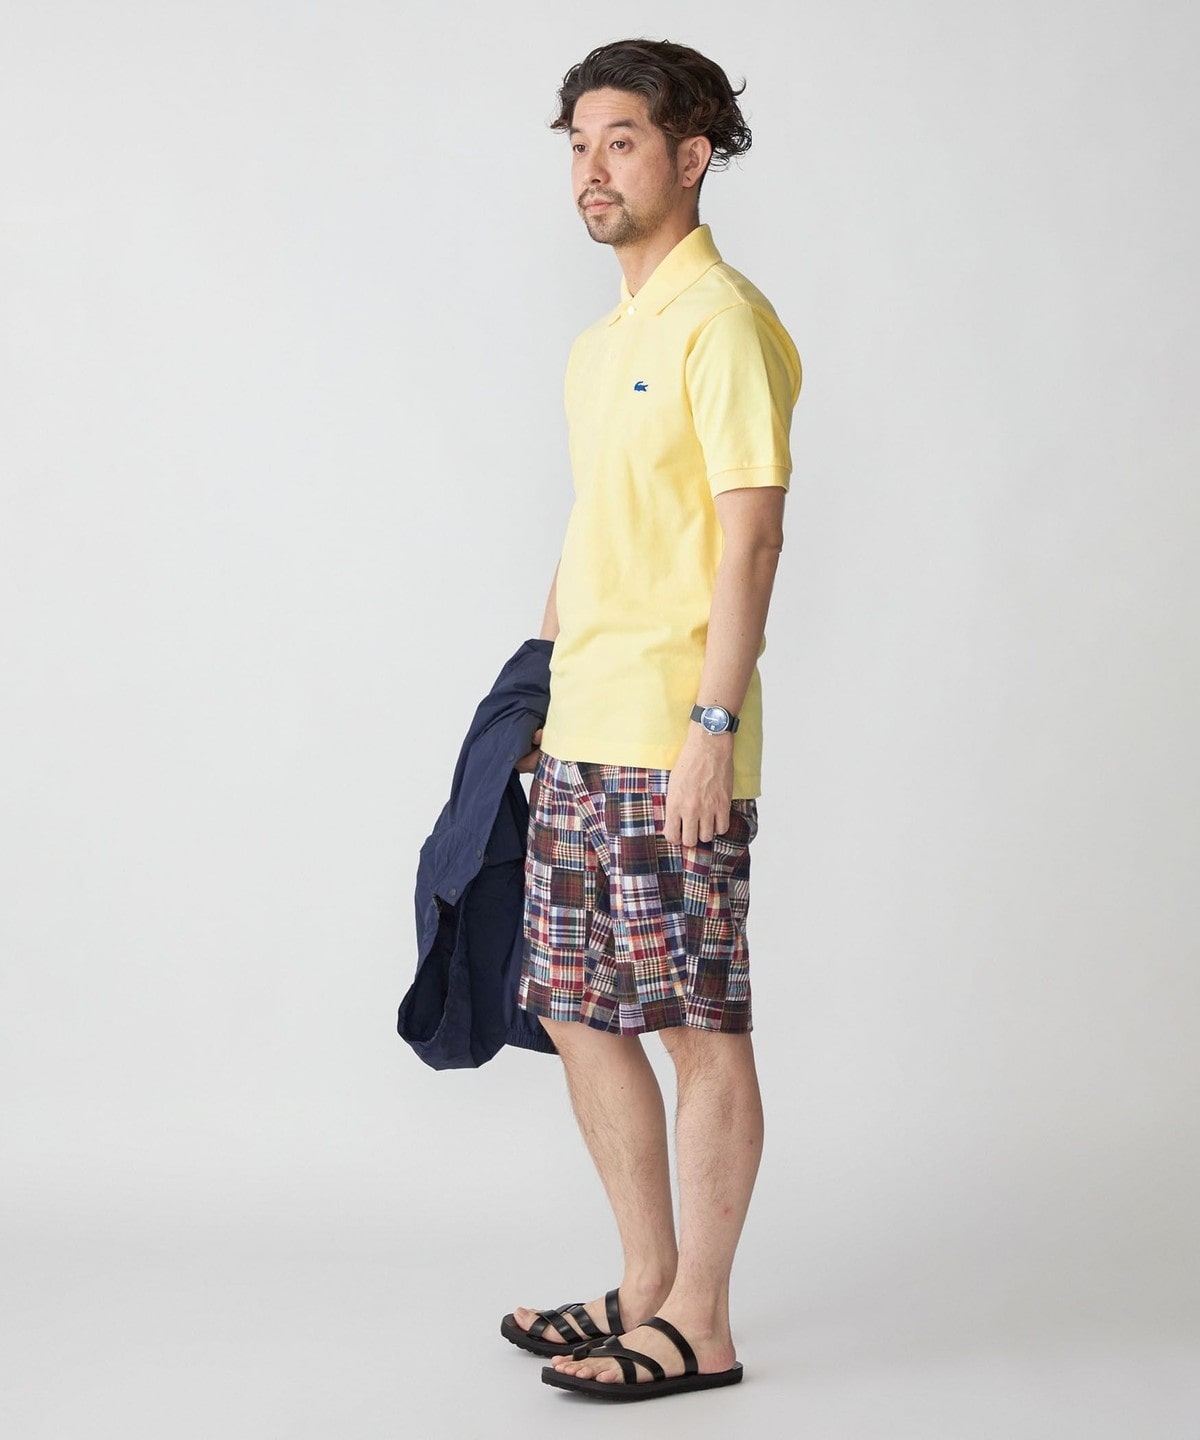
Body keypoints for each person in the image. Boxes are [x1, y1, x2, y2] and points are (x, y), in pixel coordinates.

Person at [502, 38, 802, 1401]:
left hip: (676, 737)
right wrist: (534, 691)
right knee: (578, 1011)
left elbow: (752, 541)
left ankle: (705, 1323)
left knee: (696, 1027)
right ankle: (643, 1287)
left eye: (619, 141)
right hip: (581, 729)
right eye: (578, 144)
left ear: (690, 157)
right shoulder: (602, 343)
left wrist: (712, 727)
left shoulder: (722, 321)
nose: (591, 169)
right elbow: (594, 532)